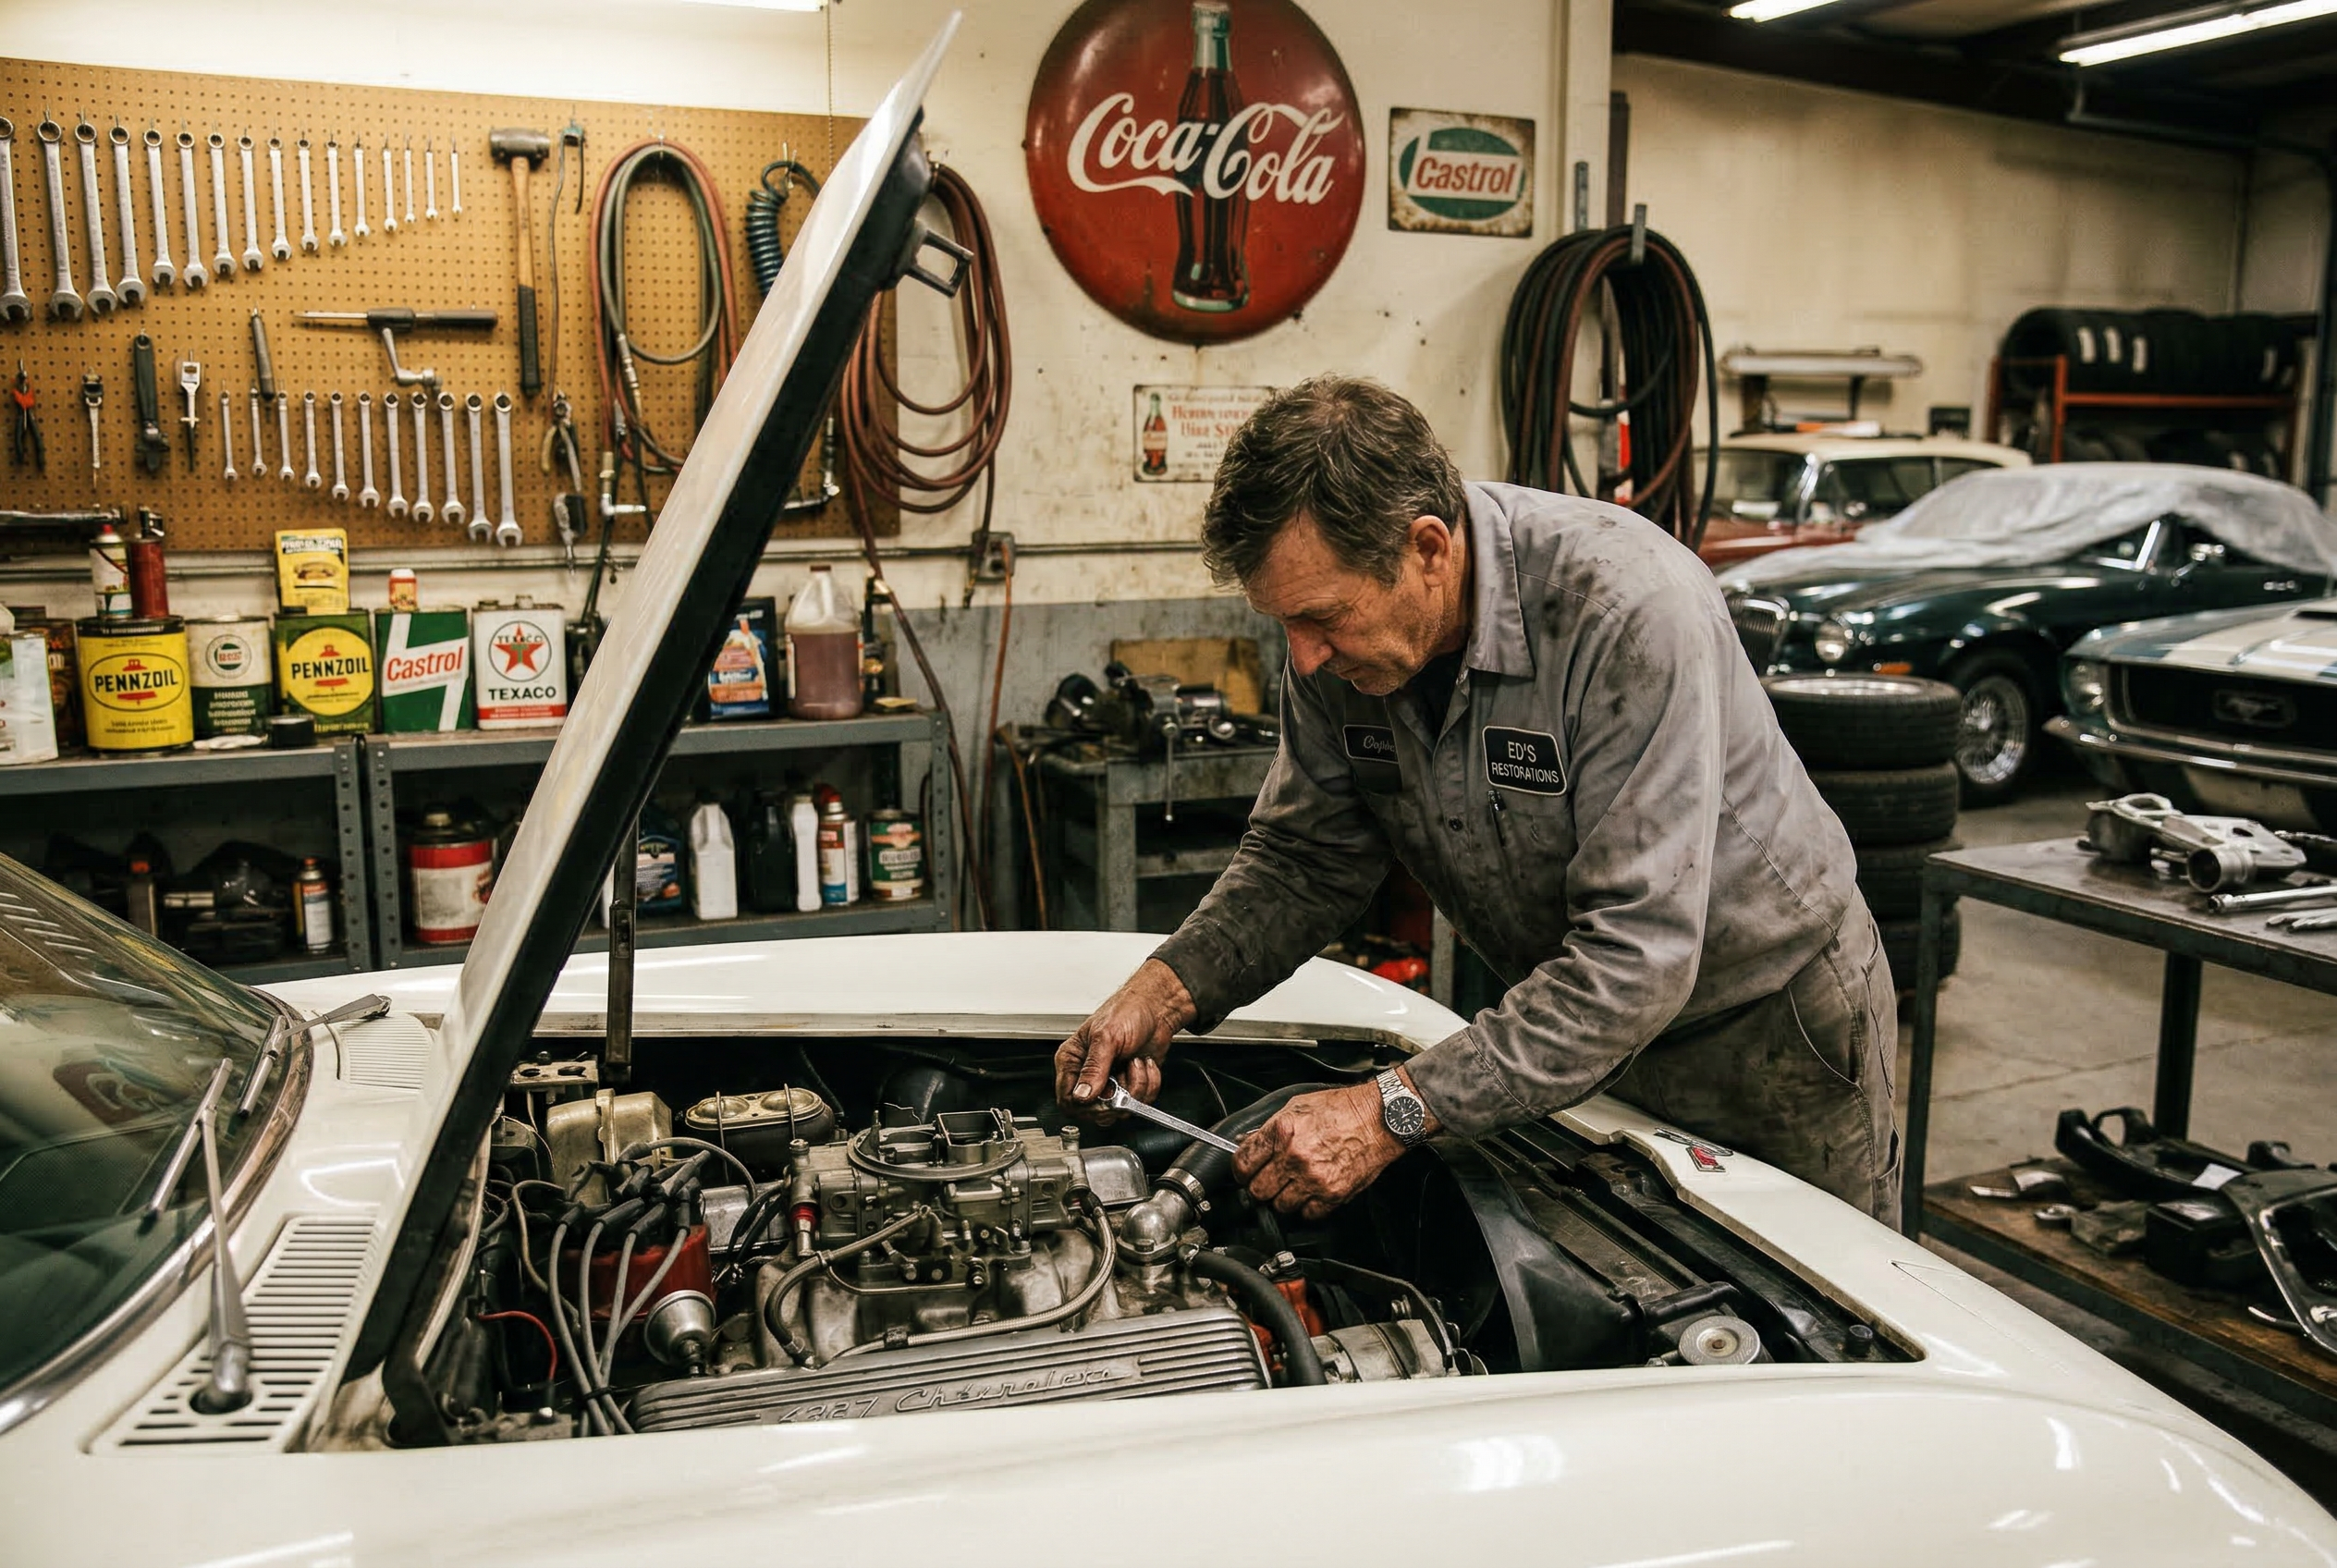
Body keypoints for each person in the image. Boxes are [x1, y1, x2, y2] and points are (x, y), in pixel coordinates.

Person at [1054, 375, 1899, 1223]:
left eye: (1321, 618)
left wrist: (1388, 1109)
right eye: (1284, 624)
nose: (1303, 658)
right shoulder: (1338, 653)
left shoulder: (1626, 612)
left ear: (1427, 548)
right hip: (1577, 1034)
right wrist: (1163, 991)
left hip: (1765, 1033)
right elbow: (1303, 860)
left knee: (1824, 1328)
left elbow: (1634, 959)